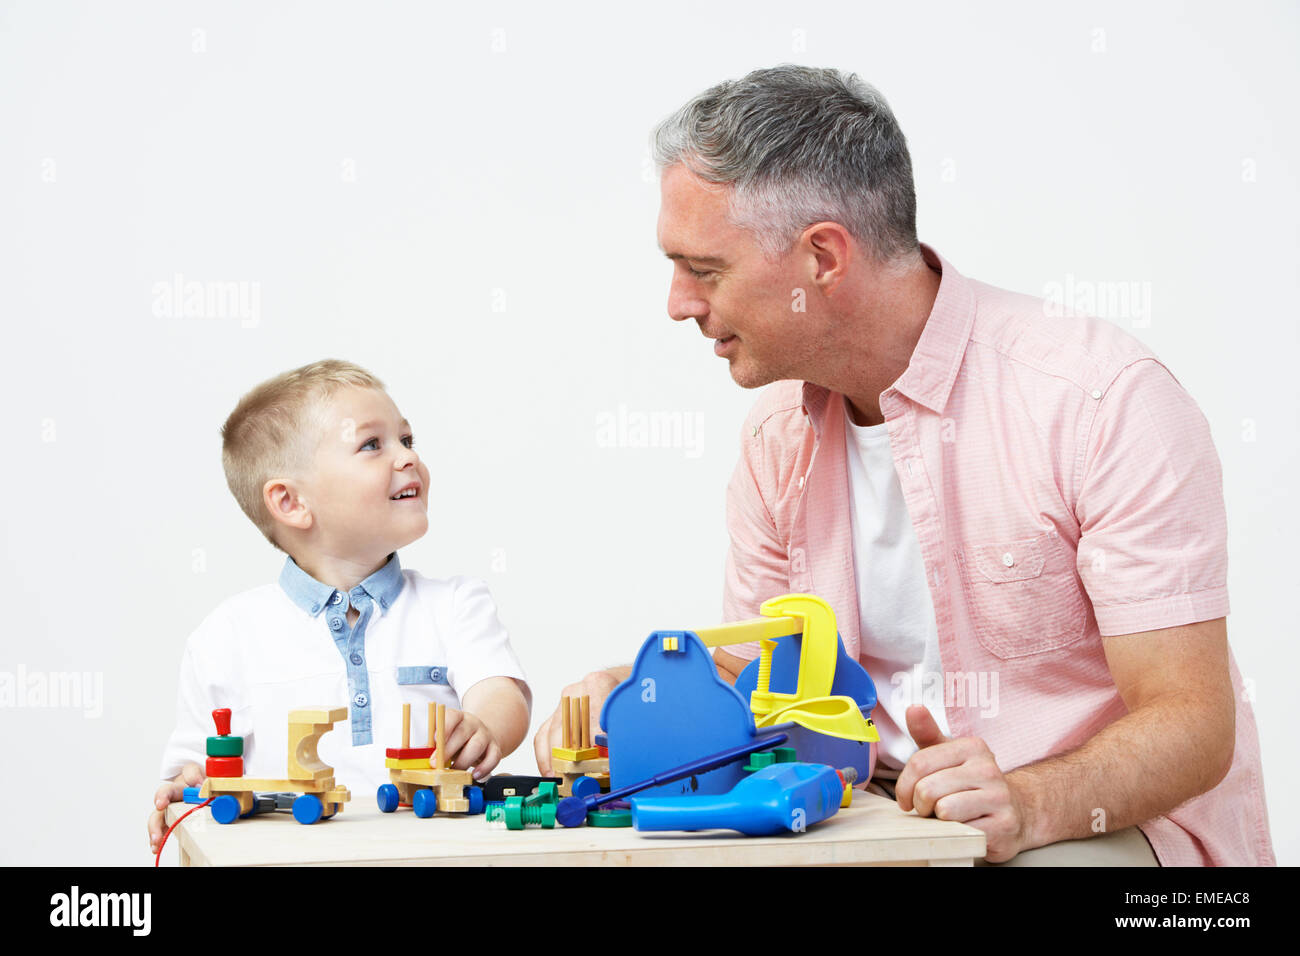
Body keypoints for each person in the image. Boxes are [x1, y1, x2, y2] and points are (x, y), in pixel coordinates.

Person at [534, 65, 1274, 866]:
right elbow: (757, 695)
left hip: (1086, 827)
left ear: (823, 256)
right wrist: (642, 697)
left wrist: (1028, 804)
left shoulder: (1100, 400)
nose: (679, 302)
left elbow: (1193, 723)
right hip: (871, 817)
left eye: (705, 270)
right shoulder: (776, 437)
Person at [146, 359, 531, 853]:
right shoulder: (225, 637)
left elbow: (503, 691)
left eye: (407, 440)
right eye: (373, 445)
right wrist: (181, 788)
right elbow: (194, 769)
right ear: (291, 503)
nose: (406, 457)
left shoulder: (455, 603)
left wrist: (484, 725)